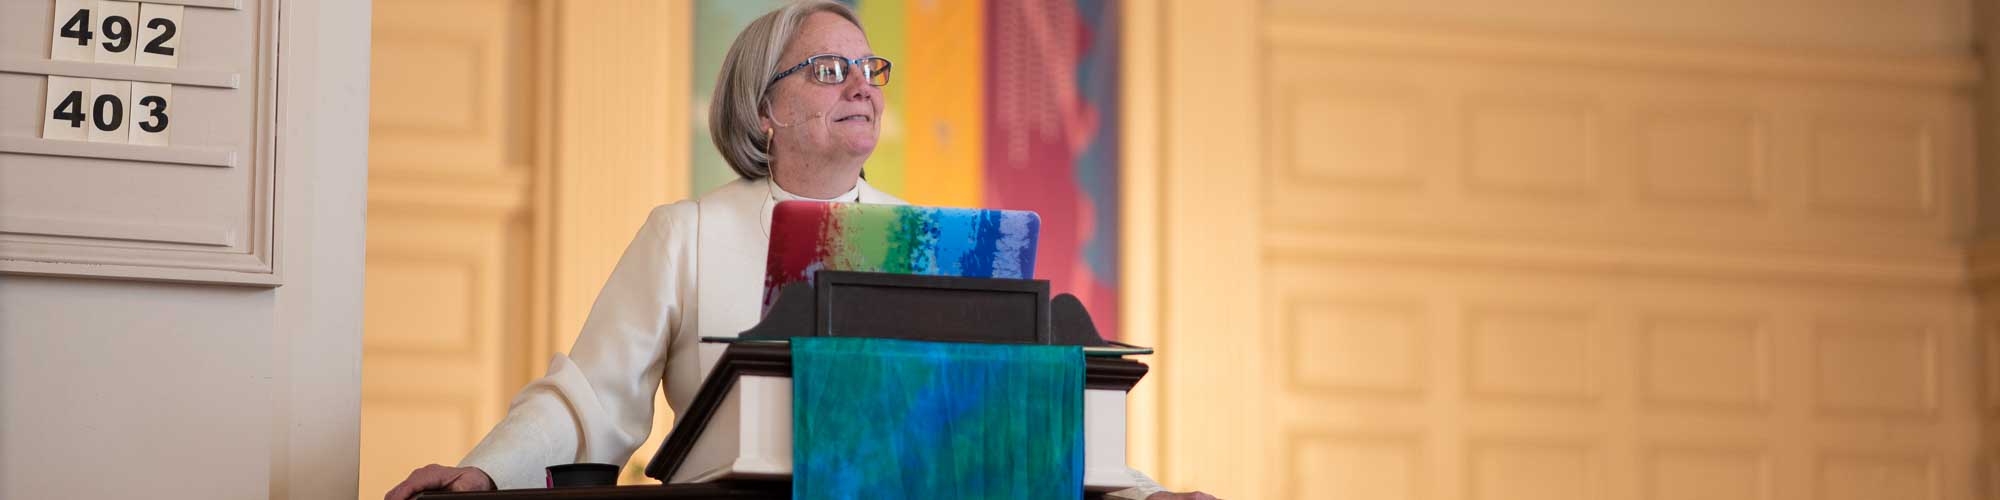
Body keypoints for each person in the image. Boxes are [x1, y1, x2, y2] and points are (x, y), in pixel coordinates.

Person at [384, 2, 1213, 499]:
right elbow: (589, 402)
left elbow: (1015, 408)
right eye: (826, 69)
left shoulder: (932, 242)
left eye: (869, 67)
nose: (861, 84)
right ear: (762, 111)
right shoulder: (688, 233)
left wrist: (1140, 493)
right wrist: (487, 473)